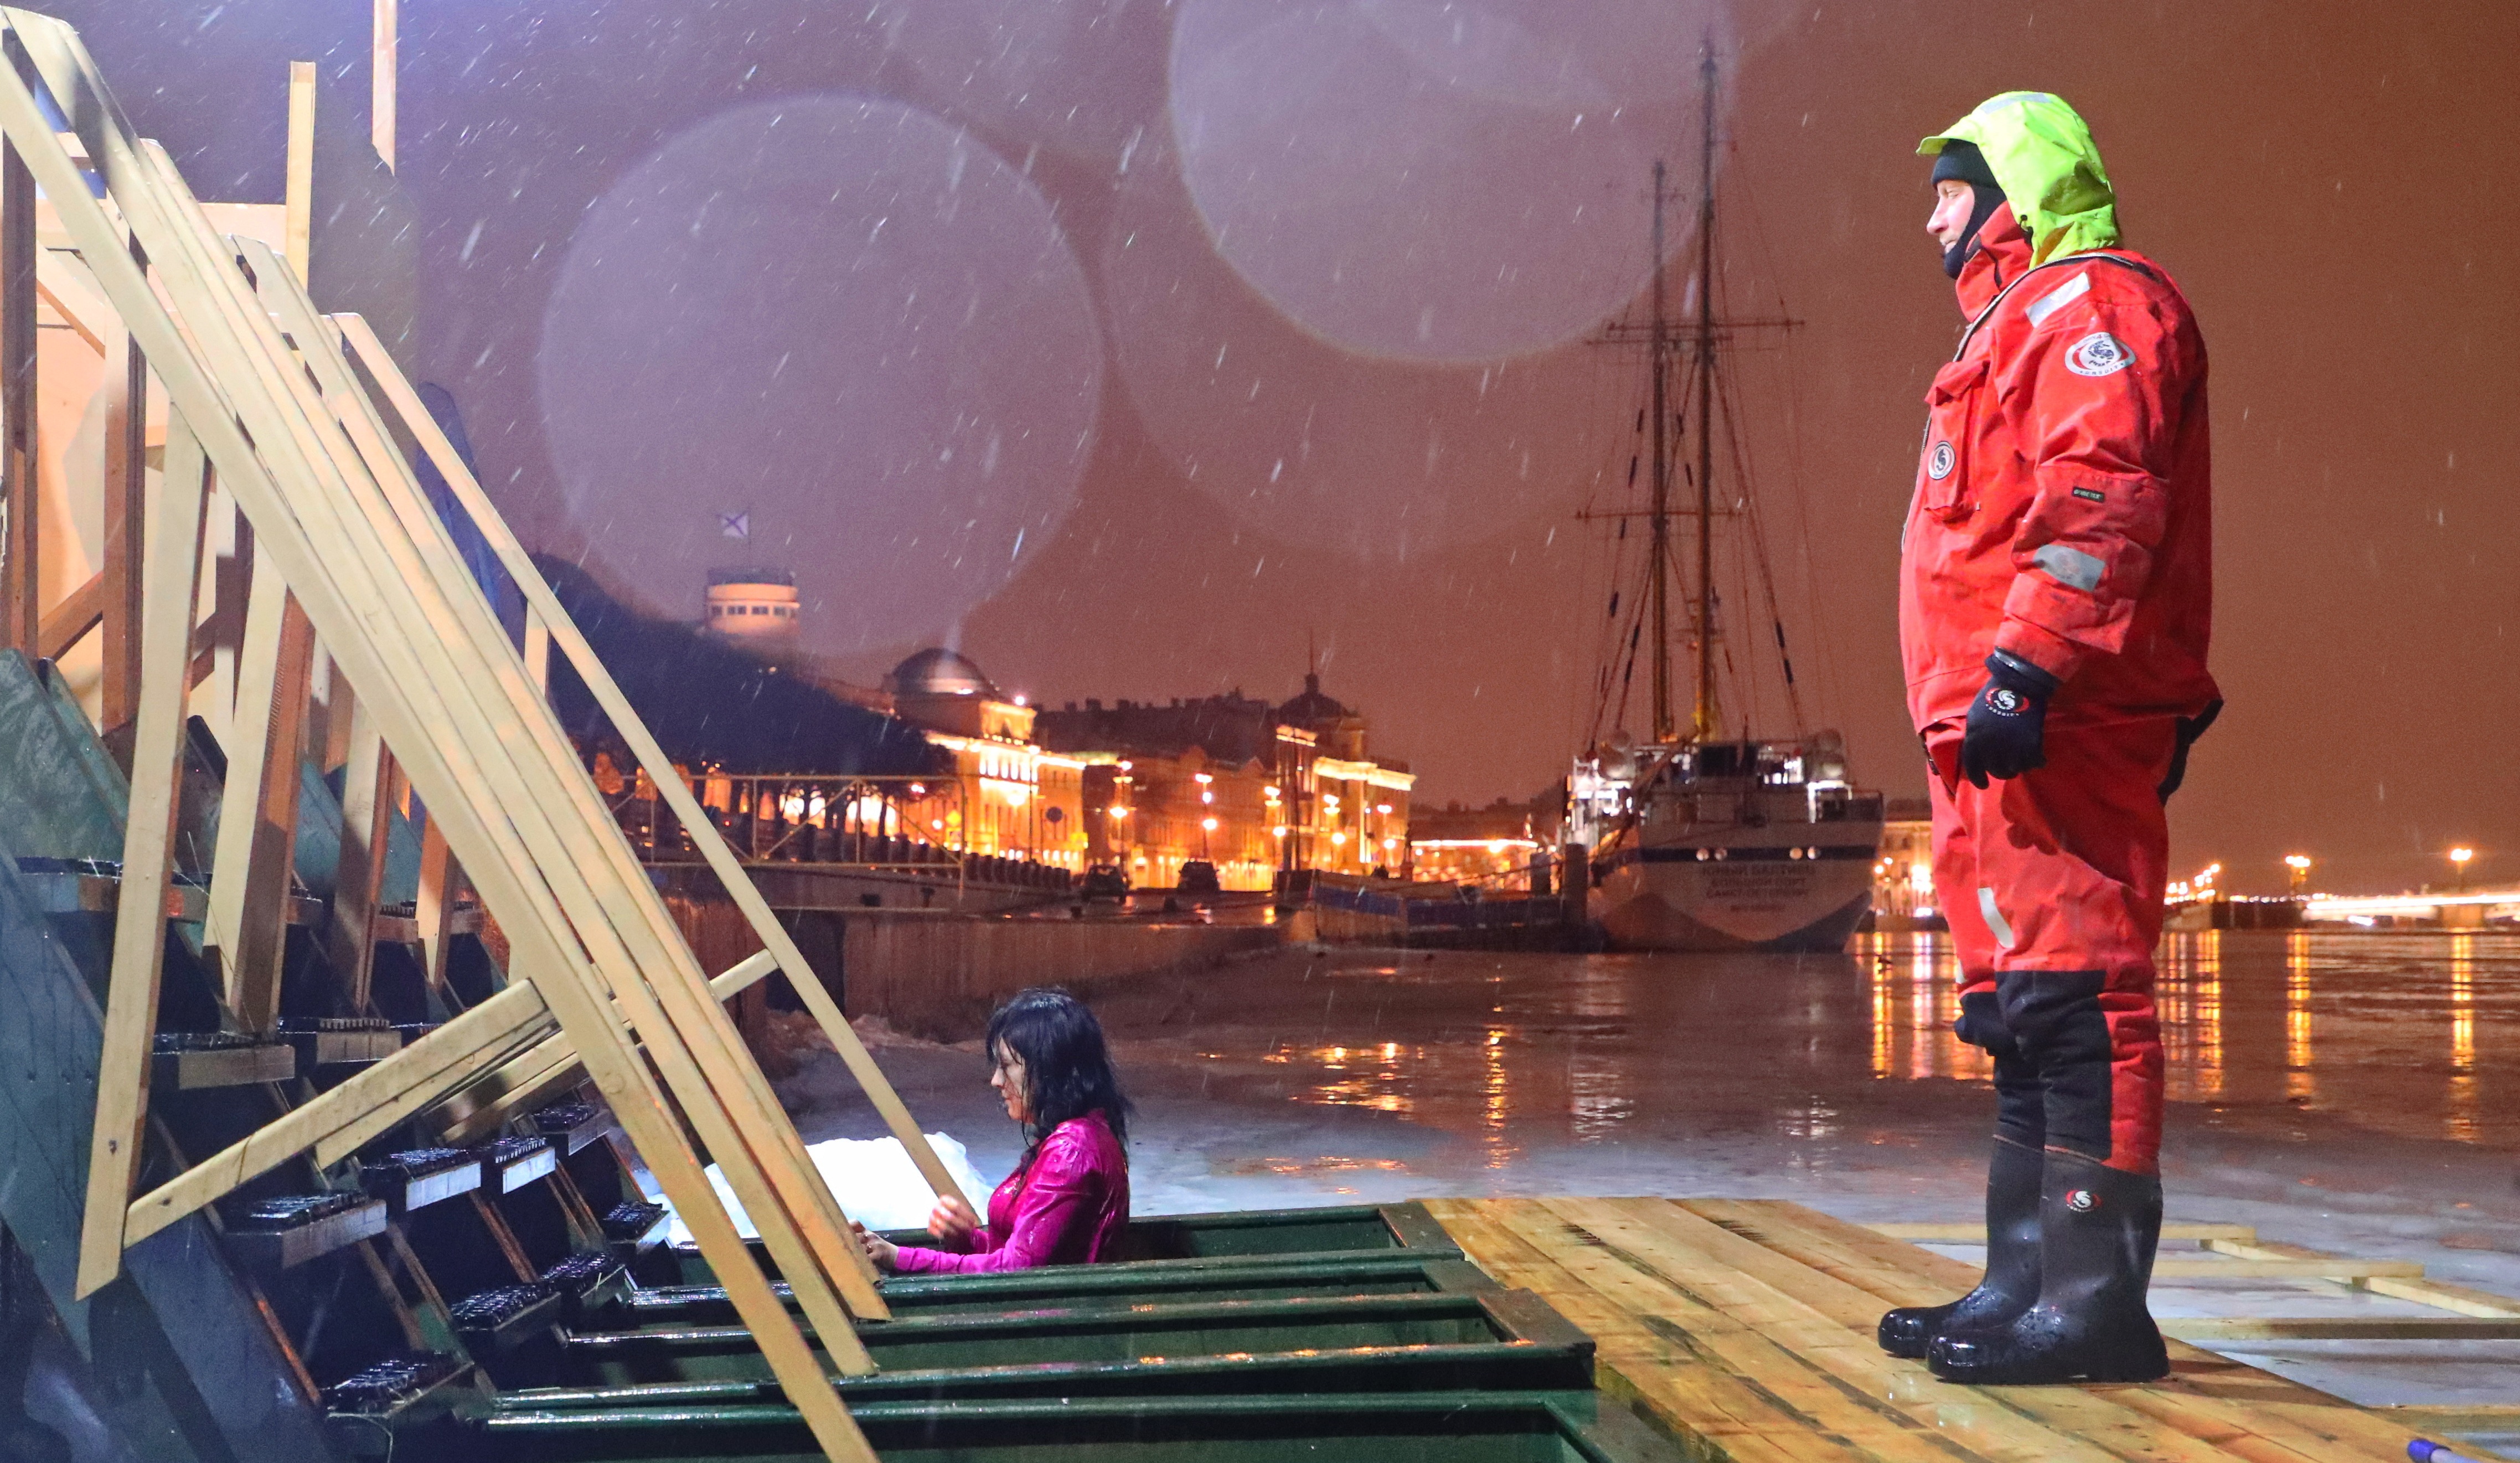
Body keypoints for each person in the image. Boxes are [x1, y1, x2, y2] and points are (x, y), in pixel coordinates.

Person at [1879, 92, 2218, 1386]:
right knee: (2020, 1008)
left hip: (2050, 706)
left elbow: (2102, 494)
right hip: (1992, 721)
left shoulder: (2092, 308)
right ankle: (2024, 1282)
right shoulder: (2009, 326)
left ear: (2009, 197)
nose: (1930, 217)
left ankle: (2093, 1304)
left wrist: (2030, 660)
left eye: (1950, 191)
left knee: (2079, 998)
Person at [856, 987, 1132, 1274]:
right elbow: (1033, 1253)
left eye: (1008, 1066)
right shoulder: (1079, 1137)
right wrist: (967, 1238)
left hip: (1049, 1316)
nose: (997, 1081)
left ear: (1050, 1068)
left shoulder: (1072, 1150)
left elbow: (1019, 1268)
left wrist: (899, 1257)